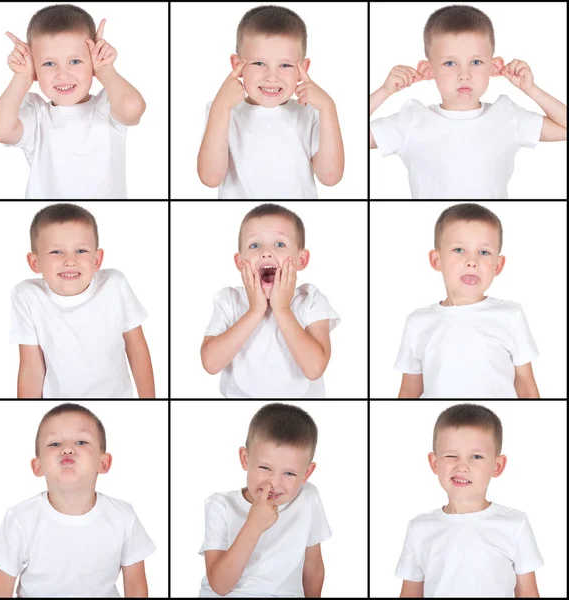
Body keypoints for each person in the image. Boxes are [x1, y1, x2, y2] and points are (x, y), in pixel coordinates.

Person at [370, 4, 567, 199]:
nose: (464, 75)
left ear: (494, 66)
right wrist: (384, 91)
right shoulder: (411, 120)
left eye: (476, 62)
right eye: (450, 63)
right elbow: (348, 136)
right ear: (428, 70)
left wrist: (530, 89)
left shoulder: (507, 115)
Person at [0, 403, 156, 598]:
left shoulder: (123, 517)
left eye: (81, 442)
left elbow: (136, 587)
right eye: (54, 443)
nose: (67, 449)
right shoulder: (20, 519)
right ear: (37, 466)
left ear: (104, 462)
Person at [0, 4, 146, 199]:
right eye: (49, 63)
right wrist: (22, 77)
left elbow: (132, 107)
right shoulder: (37, 114)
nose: (62, 74)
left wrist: (105, 70)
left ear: (93, 63)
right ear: (35, 69)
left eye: (75, 61)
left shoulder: (107, 104)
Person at [396, 403, 543, 598]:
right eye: (451, 455)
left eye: (476, 456)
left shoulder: (516, 525)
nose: (462, 466)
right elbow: (410, 594)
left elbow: (528, 593)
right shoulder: (419, 529)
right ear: (435, 463)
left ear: (497, 466)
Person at [197, 5, 344, 198]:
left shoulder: (309, 112)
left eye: (285, 65)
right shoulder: (223, 110)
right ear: (237, 65)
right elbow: (210, 177)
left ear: (303, 69)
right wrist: (221, 107)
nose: (272, 76)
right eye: (259, 63)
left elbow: (330, 177)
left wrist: (328, 108)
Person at [395, 202, 539, 398]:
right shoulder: (418, 323)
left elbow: (526, 385)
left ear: (498, 265)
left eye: (484, 252)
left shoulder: (511, 316)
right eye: (459, 250)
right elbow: (409, 391)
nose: (472, 261)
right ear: (436, 260)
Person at [10, 203, 154, 398]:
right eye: (56, 252)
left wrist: (149, 401)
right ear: (35, 262)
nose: (70, 261)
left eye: (81, 251)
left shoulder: (114, 285)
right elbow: (31, 368)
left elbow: (137, 349)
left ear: (97, 259)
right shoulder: (27, 296)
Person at [201, 203, 340, 398]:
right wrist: (254, 311)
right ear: (240, 263)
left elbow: (315, 368)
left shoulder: (311, 300)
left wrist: (282, 309)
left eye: (280, 244)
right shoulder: (229, 299)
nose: (265, 252)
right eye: (254, 245)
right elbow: (210, 364)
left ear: (301, 259)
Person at [198, 403, 331, 597]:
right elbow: (220, 585)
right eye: (265, 468)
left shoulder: (308, 497)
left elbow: (313, 568)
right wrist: (254, 525)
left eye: (289, 473)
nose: (275, 483)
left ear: (306, 473)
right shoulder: (219, 506)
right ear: (245, 458)